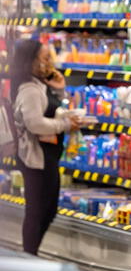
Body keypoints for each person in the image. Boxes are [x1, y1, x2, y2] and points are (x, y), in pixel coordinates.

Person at [10, 39, 80, 255]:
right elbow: (35, 123)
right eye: (45, 57)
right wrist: (66, 125)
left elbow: (53, 110)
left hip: (46, 156)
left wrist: (59, 90)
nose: (49, 62)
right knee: (38, 211)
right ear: (31, 61)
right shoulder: (30, 89)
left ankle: (30, 253)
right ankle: (29, 255)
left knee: (46, 209)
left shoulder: (39, 85)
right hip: (35, 158)